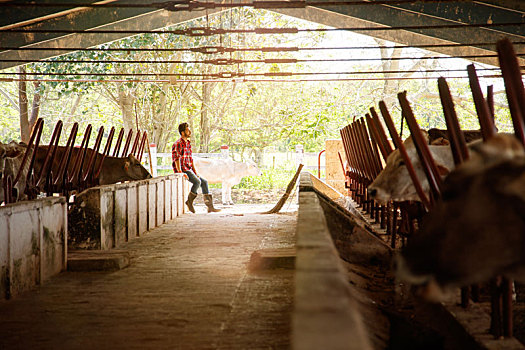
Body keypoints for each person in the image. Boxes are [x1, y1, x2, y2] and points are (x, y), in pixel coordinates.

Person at [172, 123, 220, 213]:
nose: (190, 131)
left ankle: (210, 207)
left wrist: (195, 172)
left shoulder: (188, 143)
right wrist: (179, 172)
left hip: (188, 168)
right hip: (183, 169)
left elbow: (190, 159)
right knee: (197, 182)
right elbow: (176, 158)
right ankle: (189, 202)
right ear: (182, 133)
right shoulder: (178, 144)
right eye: (187, 130)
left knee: (204, 182)